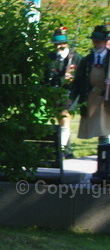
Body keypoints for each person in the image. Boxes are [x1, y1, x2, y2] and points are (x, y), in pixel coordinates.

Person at [70, 26, 110, 181]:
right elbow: (78, 82)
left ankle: (105, 167)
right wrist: (71, 99)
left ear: (104, 42)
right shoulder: (87, 60)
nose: (96, 43)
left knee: (105, 132)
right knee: (101, 133)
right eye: (95, 41)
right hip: (92, 100)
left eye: (99, 41)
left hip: (107, 100)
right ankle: (103, 167)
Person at [44, 27, 82, 158]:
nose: (59, 46)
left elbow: (82, 78)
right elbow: (45, 77)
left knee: (65, 118)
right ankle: (68, 150)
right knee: (60, 121)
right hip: (54, 93)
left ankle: (61, 150)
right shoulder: (49, 57)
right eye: (57, 44)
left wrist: (72, 79)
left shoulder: (76, 58)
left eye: (62, 43)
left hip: (69, 93)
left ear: (66, 43)